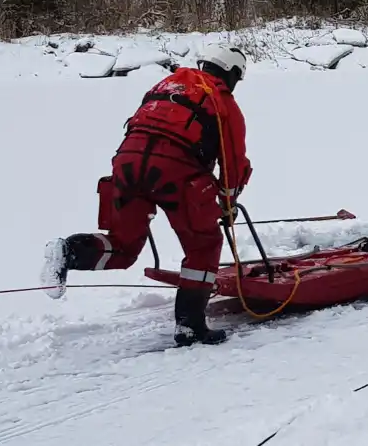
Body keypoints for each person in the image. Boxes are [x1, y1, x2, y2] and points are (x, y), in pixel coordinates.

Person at [39, 44, 252, 347]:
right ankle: (190, 326)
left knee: (124, 246)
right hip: (176, 171)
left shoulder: (167, 85)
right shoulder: (223, 102)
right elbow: (233, 162)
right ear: (231, 74)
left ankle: (69, 251)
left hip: (126, 164)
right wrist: (227, 202)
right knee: (204, 246)